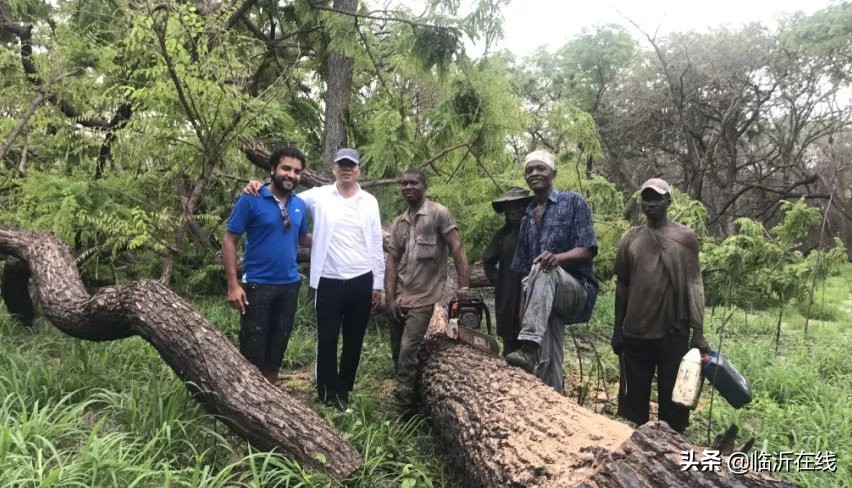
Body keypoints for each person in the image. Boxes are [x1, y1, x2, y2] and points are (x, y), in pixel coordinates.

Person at [244, 147, 384, 411]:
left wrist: (378, 283)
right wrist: (257, 186)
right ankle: (326, 393)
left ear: (358, 170)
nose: (346, 169)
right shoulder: (318, 196)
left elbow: (376, 243)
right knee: (328, 339)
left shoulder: (370, 202)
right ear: (333, 168)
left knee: (354, 340)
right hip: (329, 280)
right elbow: (284, 195)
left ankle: (345, 390)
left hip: (362, 279)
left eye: (351, 165)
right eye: (341, 164)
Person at [611, 178, 709, 433]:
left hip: (671, 331)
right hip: (635, 331)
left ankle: (671, 456)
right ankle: (638, 452)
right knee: (635, 403)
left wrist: (698, 332)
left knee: (673, 402)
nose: (650, 204)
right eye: (646, 198)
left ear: (668, 201)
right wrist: (617, 330)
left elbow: (694, 286)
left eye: (656, 198)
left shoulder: (685, 238)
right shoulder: (630, 238)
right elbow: (622, 286)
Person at [504, 150, 598, 394]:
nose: (534, 173)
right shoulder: (526, 217)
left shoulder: (573, 201)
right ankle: (553, 401)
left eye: (540, 168)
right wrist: (523, 316)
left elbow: (588, 249)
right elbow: (525, 275)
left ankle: (529, 346)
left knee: (544, 267)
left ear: (553, 173)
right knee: (550, 357)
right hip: (543, 297)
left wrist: (558, 258)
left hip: (575, 290)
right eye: (529, 170)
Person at [222, 146, 311, 384]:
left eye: (297, 171)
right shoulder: (251, 198)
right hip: (257, 286)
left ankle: (272, 395)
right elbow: (230, 240)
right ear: (272, 169)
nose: (291, 175)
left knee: (278, 345)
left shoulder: (300, 204)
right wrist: (233, 284)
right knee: (253, 347)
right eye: (286, 168)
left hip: (290, 286)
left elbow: (303, 238)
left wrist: (338, 238)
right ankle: (249, 398)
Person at [385, 168, 469, 413]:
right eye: (404, 184)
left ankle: (403, 411)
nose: (408, 187)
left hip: (424, 297)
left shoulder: (438, 214)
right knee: (396, 351)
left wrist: (464, 290)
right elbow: (392, 261)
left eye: (413, 183)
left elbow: (457, 248)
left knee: (408, 350)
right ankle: (411, 394)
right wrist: (389, 298)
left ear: (424, 186)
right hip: (399, 296)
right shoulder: (399, 222)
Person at [482, 187, 533, 356]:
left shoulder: (536, 231)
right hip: (507, 297)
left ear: (526, 207)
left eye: (518, 206)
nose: (514, 211)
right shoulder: (502, 235)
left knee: (532, 343)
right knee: (510, 346)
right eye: (510, 207)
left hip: (532, 295)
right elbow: (488, 262)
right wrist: (500, 283)